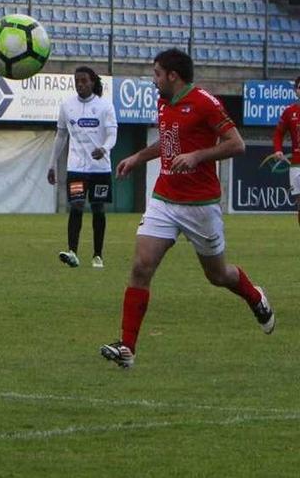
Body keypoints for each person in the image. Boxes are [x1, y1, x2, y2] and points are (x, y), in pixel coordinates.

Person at [100, 48, 275, 369]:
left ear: (173, 76)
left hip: (200, 205)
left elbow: (237, 144)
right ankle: (127, 348)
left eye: (156, 74)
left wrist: (197, 156)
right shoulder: (164, 103)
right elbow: (166, 144)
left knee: (218, 275)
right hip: (164, 199)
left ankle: (254, 295)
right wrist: (138, 157)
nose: (153, 81)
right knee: (141, 266)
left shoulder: (205, 102)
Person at [47, 66, 117, 268]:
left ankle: (97, 255)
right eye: (76, 81)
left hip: (100, 169)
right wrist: (52, 164)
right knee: (76, 206)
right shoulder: (67, 106)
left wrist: (104, 149)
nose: (79, 84)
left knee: (98, 209)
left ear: (92, 82)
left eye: (84, 80)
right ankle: (72, 252)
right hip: (76, 168)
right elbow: (60, 136)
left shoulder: (105, 106)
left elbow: (112, 134)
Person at [271, 76, 300, 225]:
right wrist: (278, 149)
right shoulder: (290, 112)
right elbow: (278, 133)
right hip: (296, 164)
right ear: (296, 91)